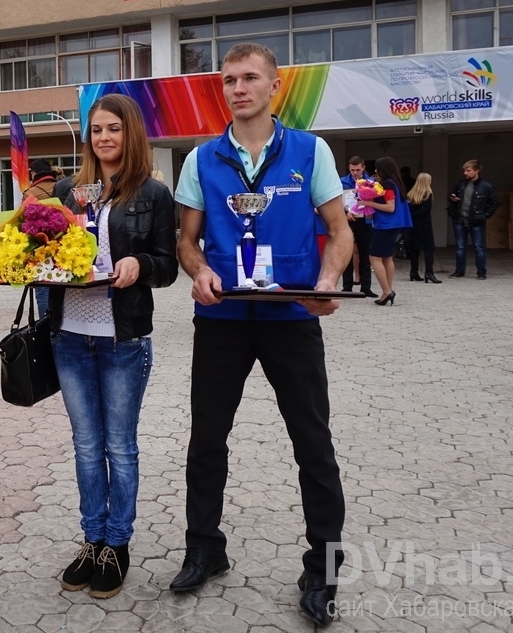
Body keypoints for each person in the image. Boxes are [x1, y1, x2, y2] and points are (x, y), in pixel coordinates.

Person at [173, 43, 352, 628]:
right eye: (229, 81)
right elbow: (187, 241)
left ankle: (321, 568)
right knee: (207, 442)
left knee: (313, 443)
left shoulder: (310, 149)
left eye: (250, 78)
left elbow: (339, 228)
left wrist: (326, 280)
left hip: (291, 318)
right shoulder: (202, 158)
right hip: (222, 320)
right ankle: (204, 546)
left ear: (275, 86)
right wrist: (199, 272)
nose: (238, 88)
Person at [48, 94, 178, 600]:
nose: (104, 138)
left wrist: (139, 265)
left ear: (131, 134)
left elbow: (167, 265)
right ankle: (91, 538)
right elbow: (49, 253)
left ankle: (117, 543)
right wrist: (26, 266)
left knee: (119, 447)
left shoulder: (153, 193)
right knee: (85, 447)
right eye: (96, 130)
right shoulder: (67, 190)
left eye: (113, 129)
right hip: (70, 338)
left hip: (123, 339)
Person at [354, 156, 411, 306]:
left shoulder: (387, 184)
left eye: (377, 168)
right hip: (393, 224)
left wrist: (367, 202)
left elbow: (389, 207)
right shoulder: (396, 183)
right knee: (386, 257)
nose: (375, 171)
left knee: (374, 257)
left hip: (386, 225)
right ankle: (388, 290)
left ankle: (387, 291)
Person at [24, 159, 64, 316]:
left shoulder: (30, 193)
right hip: (66, 246)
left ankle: (46, 327)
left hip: (40, 248)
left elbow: (24, 223)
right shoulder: (62, 186)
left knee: (42, 290)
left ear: (34, 173)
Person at [447, 159, 499, 279]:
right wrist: (452, 198)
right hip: (460, 219)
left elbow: (494, 202)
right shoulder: (460, 184)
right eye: (464, 170)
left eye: (468, 170)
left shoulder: (486, 186)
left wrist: (485, 215)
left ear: (477, 171)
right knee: (460, 247)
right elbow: (450, 195)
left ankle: (481, 272)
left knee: (479, 247)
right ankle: (459, 271)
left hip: (477, 220)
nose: (465, 173)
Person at [339, 156, 376, 298]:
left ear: (364, 168)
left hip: (365, 221)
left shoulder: (371, 182)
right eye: (352, 170)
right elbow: (337, 200)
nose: (355, 173)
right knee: (347, 254)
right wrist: (345, 213)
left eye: (358, 170)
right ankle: (347, 287)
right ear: (349, 168)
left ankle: (366, 287)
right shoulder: (342, 182)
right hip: (347, 220)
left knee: (365, 255)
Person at [405, 172, 441, 284]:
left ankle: (414, 272)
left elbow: (408, 210)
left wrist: (411, 217)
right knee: (429, 249)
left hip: (413, 225)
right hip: (424, 225)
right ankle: (429, 273)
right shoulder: (428, 194)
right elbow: (425, 211)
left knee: (414, 249)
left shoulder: (411, 194)